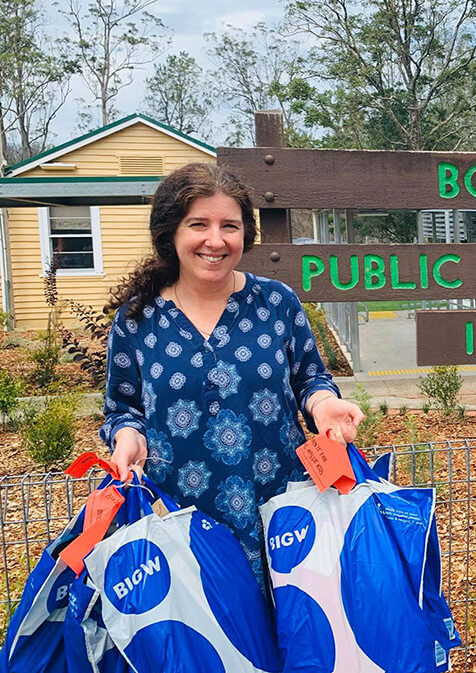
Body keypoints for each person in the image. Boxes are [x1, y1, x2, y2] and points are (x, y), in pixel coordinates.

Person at [101, 163, 364, 580]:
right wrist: (127, 437)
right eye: (198, 224)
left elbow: (309, 379)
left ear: (246, 234)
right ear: (171, 232)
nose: (215, 240)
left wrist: (324, 405)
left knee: (290, 634)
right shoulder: (137, 319)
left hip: (284, 515)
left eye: (230, 226)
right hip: (179, 523)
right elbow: (122, 408)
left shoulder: (276, 303)